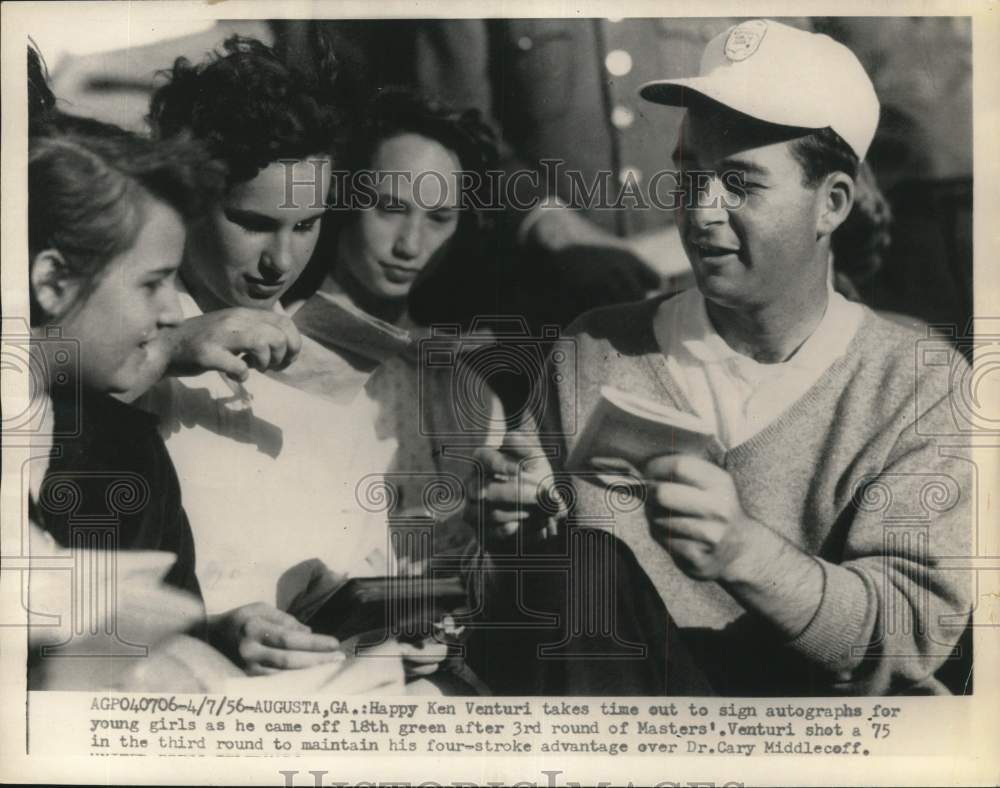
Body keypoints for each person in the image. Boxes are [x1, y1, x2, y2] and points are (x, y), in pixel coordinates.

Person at [469, 20, 972, 696]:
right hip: (616, 734)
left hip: (808, 751)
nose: (701, 211)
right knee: (586, 562)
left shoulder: (917, 383)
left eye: (740, 182)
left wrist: (746, 555)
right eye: (689, 176)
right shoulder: (593, 349)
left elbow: (911, 638)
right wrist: (504, 530)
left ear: (832, 204)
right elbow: (518, 608)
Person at [140, 37, 444, 681]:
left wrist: (401, 630)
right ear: (184, 197)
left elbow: (360, 575)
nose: (282, 260)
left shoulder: (341, 362)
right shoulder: (121, 344)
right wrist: (165, 348)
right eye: (253, 222)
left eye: (306, 225)